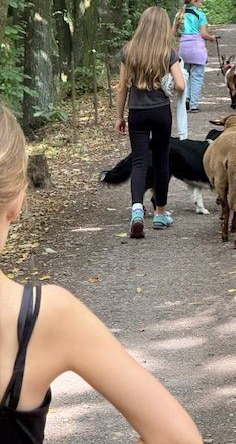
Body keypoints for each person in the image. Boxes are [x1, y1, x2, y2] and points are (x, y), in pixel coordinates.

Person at [0, 101, 203, 444]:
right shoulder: (40, 317)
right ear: (19, 198)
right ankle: (157, 209)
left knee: (141, 161)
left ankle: (139, 205)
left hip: (138, 120)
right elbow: (176, 437)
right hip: (159, 117)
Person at [116, 6, 185, 239]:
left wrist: (119, 116)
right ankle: (160, 213)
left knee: (139, 161)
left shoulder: (129, 51)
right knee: (161, 160)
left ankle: (137, 210)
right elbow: (181, 85)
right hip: (160, 111)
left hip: (137, 112)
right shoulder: (168, 53)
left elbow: (122, 87)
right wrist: (167, 83)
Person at [173, 0, 216, 113]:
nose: (202, 4)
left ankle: (186, 99)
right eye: (200, 1)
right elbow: (203, 34)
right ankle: (194, 105)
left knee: (185, 75)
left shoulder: (179, 14)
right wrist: (211, 38)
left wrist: (183, 35)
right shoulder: (200, 15)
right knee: (197, 77)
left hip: (184, 49)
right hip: (197, 49)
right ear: (194, 1)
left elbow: (173, 32)